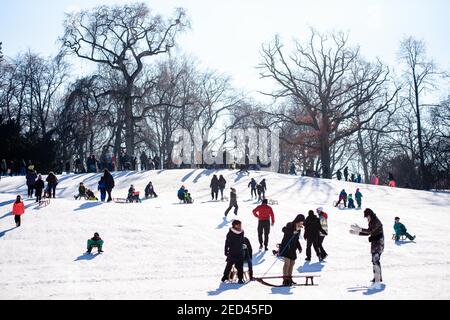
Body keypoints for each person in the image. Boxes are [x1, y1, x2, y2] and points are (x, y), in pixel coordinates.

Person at [350, 209, 384, 286]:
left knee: (376, 260)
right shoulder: (372, 221)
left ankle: (378, 278)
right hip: (375, 244)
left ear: (370, 215)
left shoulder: (375, 221)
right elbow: (368, 233)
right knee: (374, 261)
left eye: (367, 216)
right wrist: (357, 233)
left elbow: (370, 231)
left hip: (379, 244)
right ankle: (377, 277)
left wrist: (360, 229)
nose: (367, 218)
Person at [279, 214, 305, 286]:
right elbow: (284, 230)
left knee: (292, 263)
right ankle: (285, 280)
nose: (301, 224)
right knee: (287, 264)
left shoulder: (299, 230)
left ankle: (289, 278)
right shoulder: (290, 225)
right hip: (286, 247)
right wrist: (292, 232)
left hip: (293, 249)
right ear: (297, 221)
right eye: (300, 222)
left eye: (302, 223)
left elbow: (296, 240)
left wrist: (299, 247)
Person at [221, 220, 245, 284]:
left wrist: (244, 247)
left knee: (240, 266)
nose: (240, 226)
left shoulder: (242, 232)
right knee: (229, 266)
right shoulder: (230, 233)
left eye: (240, 225)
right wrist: (226, 251)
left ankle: (240, 279)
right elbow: (227, 243)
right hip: (232, 252)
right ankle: (225, 277)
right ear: (235, 225)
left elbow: (243, 241)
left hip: (240, 252)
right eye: (239, 225)